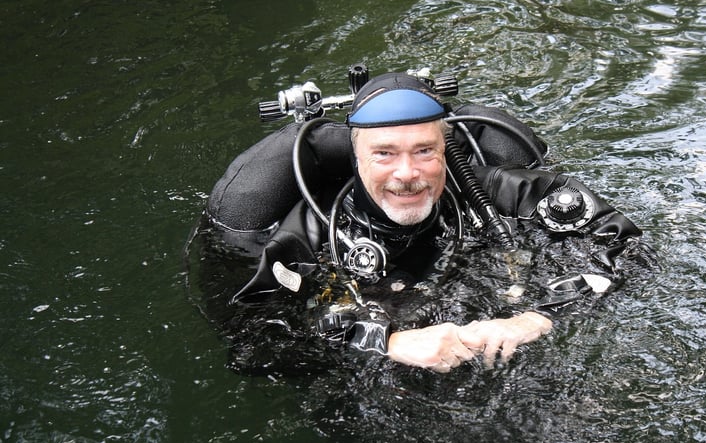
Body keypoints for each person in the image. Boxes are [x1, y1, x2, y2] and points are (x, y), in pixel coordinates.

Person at [204, 72, 646, 374]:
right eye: (384, 153)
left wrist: (535, 319)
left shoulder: (497, 194)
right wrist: (385, 343)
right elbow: (256, 343)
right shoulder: (312, 231)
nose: (407, 173)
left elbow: (628, 251)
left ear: (445, 150)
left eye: (424, 151)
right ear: (355, 158)